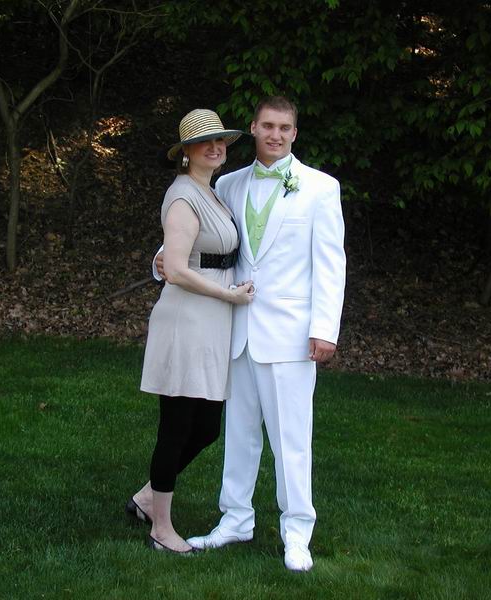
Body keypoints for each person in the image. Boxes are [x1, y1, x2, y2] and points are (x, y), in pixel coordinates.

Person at [155, 96, 346, 571]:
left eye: (284, 127)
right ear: (254, 129)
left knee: (291, 441)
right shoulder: (229, 183)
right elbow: (196, 239)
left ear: (294, 133)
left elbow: (331, 264)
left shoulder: (321, 188)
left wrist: (325, 329)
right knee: (239, 437)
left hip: (291, 335)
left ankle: (297, 532)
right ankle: (235, 519)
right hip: (235, 331)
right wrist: (159, 264)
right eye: (267, 126)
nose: (275, 135)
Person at [126, 109, 255, 555]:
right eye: (205, 142)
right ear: (186, 152)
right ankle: (161, 529)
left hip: (211, 321)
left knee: (206, 428)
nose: (215, 148)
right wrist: (228, 296)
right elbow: (177, 269)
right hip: (188, 319)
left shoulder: (212, 191)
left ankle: (148, 498)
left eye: (220, 141)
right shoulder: (183, 195)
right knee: (177, 427)